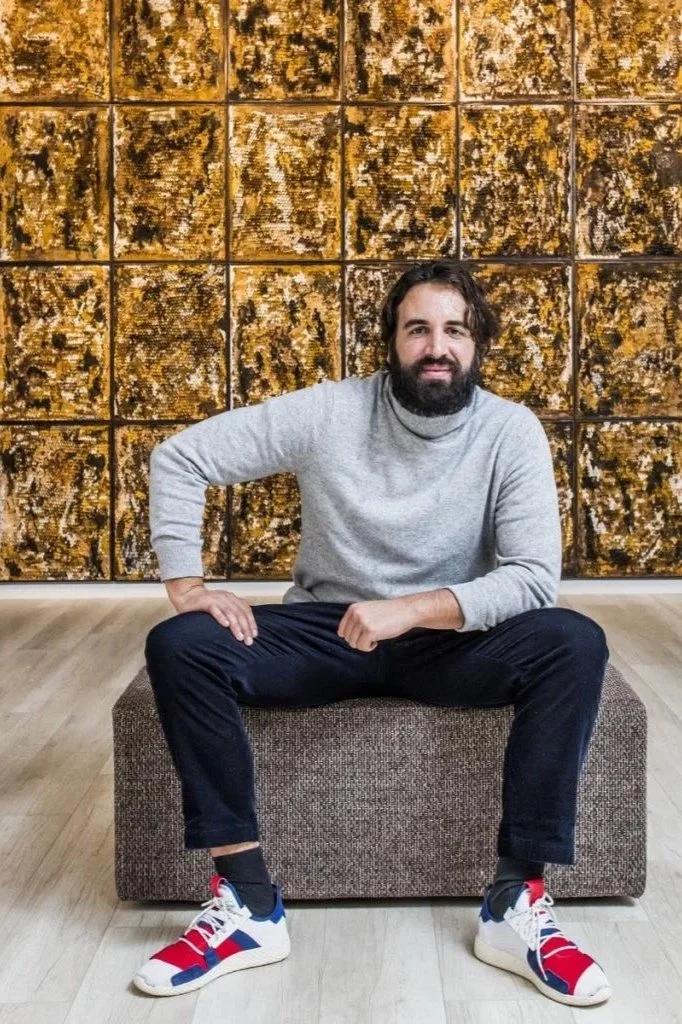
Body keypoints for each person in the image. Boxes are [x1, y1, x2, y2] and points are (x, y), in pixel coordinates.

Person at [133, 260, 612, 1006]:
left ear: (478, 341)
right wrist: (186, 585)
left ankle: (515, 903)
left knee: (573, 641)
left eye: (454, 329)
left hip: (450, 640)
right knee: (181, 645)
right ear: (391, 341)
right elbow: (181, 456)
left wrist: (413, 608)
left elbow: (529, 579)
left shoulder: (510, 432)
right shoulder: (330, 411)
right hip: (327, 631)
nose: (436, 346)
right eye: (417, 328)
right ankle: (249, 906)